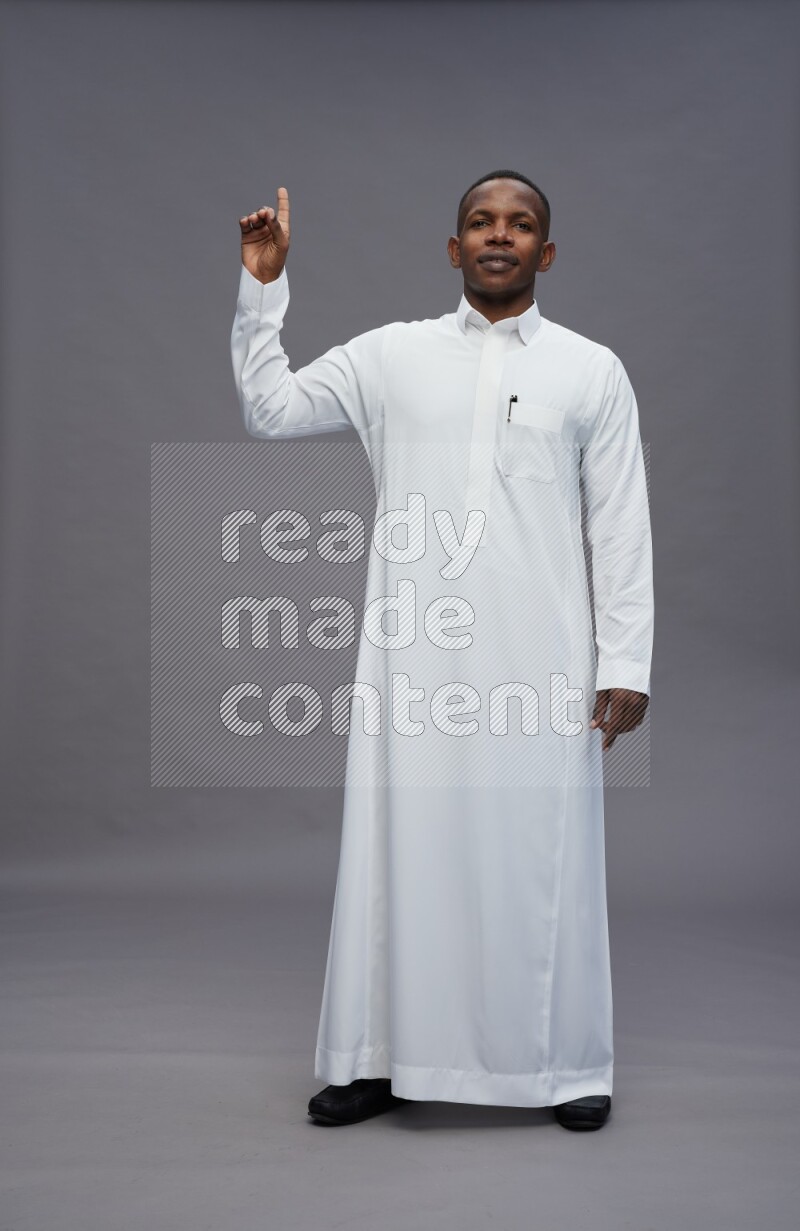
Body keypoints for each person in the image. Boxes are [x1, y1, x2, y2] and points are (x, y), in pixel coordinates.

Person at [230, 171, 653, 1132]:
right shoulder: (391, 356)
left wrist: (625, 661)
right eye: (481, 222)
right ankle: (377, 1057)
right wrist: (263, 287)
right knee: (399, 851)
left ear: (546, 252)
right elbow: (270, 409)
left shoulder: (591, 370)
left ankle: (565, 1061)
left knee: (544, 855)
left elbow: (620, 522)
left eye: (521, 224)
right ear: (454, 247)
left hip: (541, 662)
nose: (500, 235)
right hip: (412, 659)